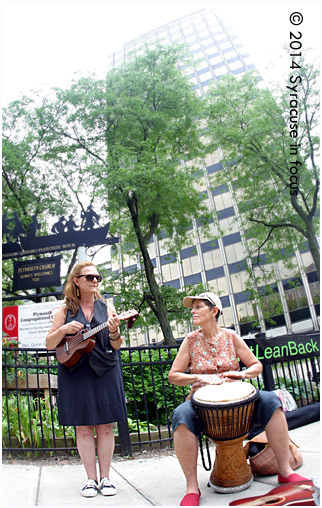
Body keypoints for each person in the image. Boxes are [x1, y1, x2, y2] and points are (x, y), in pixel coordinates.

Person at [168, 292, 307, 507]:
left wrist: (241, 374)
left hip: (239, 399)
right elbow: (173, 375)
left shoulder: (231, 336)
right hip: (202, 402)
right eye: (192, 308)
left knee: (271, 401)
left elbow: (256, 365)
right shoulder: (190, 340)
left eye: (198, 307)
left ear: (214, 311)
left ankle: (285, 470)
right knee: (180, 415)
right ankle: (191, 488)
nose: (193, 311)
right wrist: (199, 377)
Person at [46, 261, 127, 498]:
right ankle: (90, 480)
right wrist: (63, 330)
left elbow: (117, 344)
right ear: (76, 281)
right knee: (82, 427)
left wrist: (114, 331)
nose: (95, 281)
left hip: (105, 369)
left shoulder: (107, 307)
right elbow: (50, 344)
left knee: (105, 426)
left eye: (97, 277)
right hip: (75, 371)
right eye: (89, 277)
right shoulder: (65, 311)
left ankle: (106, 478)